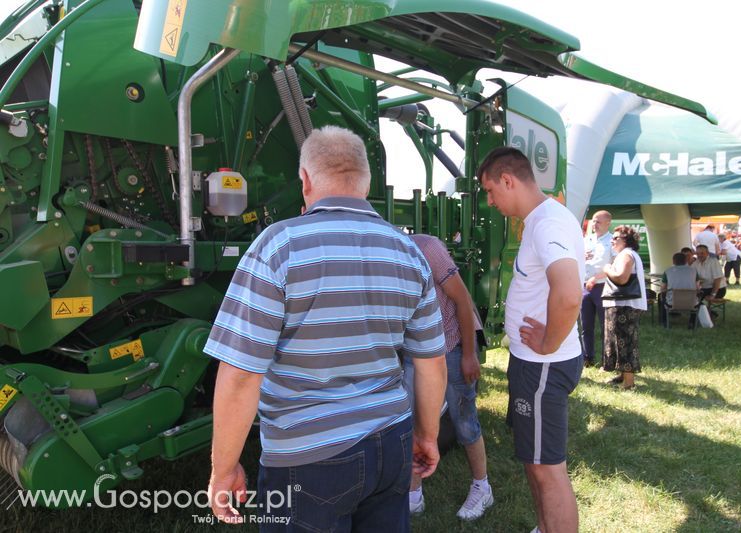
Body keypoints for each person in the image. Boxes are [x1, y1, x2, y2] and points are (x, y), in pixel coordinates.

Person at [204, 126, 447, 531]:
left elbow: (243, 374)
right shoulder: (409, 252)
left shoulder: (278, 246)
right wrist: (427, 435)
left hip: (307, 458)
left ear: (305, 180)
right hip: (392, 443)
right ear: (366, 182)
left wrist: (223, 469)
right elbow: (432, 363)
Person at [478, 147, 584, 533]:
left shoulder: (547, 224)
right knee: (536, 462)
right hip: (536, 365)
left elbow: (570, 293)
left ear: (508, 180)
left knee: (547, 471)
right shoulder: (544, 218)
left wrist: (548, 343)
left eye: (491, 191)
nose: (490, 202)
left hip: (543, 366)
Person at [403, 234, 492, 520]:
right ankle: (413, 494)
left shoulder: (427, 248)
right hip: (415, 351)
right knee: (410, 420)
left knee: (464, 420)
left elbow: (463, 299)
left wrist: (468, 354)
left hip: (451, 344)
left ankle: (482, 487)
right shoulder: (376, 260)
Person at [602, 226, 647, 389]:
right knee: (619, 341)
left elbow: (621, 278)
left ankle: (629, 383)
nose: (612, 241)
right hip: (624, 304)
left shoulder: (626, 254)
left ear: (626, 240)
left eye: (616, 238)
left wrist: (607, 269)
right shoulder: (627, 254)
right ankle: (623, 375)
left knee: (624, 343)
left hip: (624, 305)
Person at [581, 210, 613, 367]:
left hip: (602, 286)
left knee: (605, 325)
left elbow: (612, 265)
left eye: (598, 221)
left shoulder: (612, 241)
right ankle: (587, 357)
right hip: (585, 285)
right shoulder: (587, 240)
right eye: (593, 221)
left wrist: (597, 277)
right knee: (586, 324)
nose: (595, 224)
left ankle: (607, 359)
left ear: (608, 223)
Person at [660, 252, 700, 326]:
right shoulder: (694, 271)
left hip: (672, 303)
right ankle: (692, 323)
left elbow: (663, 288)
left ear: (673, 261)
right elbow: (698, 287)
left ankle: (664, 321)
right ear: (686, 261)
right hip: (691, 302)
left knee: (661, 297)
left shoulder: (668, 271)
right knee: (698, 302)